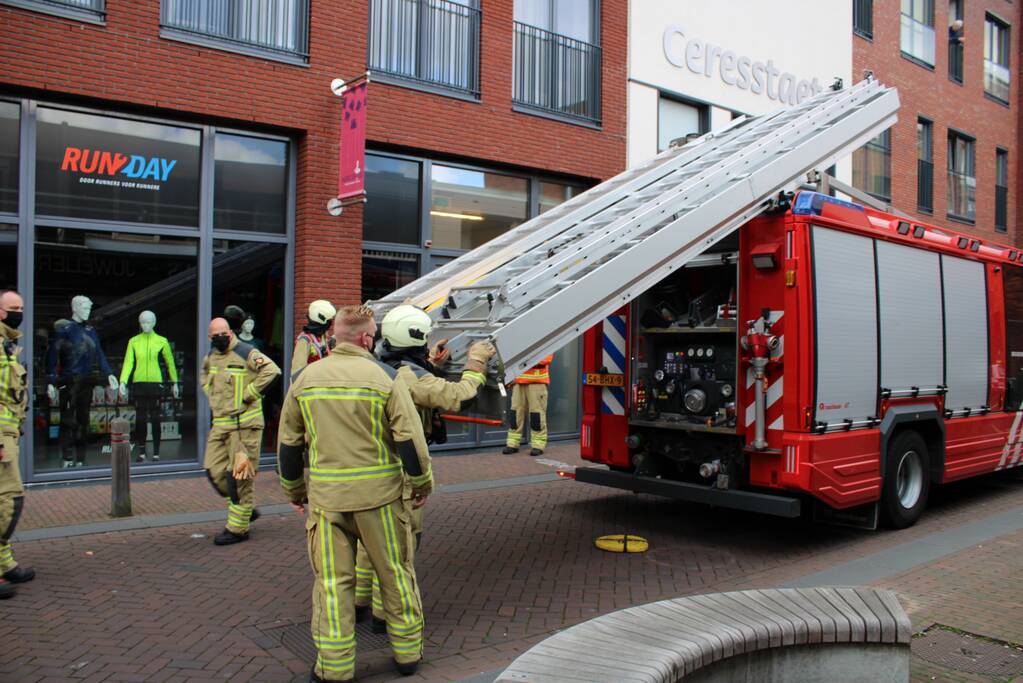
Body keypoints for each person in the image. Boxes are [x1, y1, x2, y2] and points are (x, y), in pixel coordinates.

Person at [277, 305, 432, 682]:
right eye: (374, 334)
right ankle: (407, 654)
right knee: (395, 574)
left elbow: (287, 444)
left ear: (334, 334)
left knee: (332, 585)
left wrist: (295, 490)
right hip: (379, 500)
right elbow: (410, 440)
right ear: (366, 338)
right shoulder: (385, 378)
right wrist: (421, 483)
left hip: (328, 503)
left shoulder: (305, 379)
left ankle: (335, 667)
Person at [354, 304, 496, 629]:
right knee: (400, 546)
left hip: (372, 469)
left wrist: (431, 362)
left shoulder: (378, 364)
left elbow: (413, 374)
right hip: (401, 476)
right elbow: (460, 396)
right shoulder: (410, 377)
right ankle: (384, 615)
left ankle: (359, 604)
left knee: (368, 543)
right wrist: (476, 361)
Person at [201, 317, 280, 546]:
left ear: (230, 332)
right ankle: (246, 508)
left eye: (224, 332)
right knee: (213, 471)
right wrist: (214, 398)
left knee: (238, 478)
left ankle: (238, 528)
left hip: (244, 426)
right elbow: (205, 377)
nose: (221, 337)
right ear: (210, 337)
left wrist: (249, 394)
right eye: (216, 335)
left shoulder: (246, 352)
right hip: (221, 424)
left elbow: (272, 370)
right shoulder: (211, 356)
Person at [45, 295, 120, 467]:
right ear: (75, 308)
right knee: (67, 420)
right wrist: (50, 379)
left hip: (86, 380)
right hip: (69, 380)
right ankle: (66, 457)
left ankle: (80, 458)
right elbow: (53, 354)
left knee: (83, 420)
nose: (88, 312)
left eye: (89, 308)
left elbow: (99, 352)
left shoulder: (90, 330)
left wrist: (109, 373)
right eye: (85, 308)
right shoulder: (65, 328)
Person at [0, 290, 33, 598]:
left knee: (5, 500)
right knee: (9, 500)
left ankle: (5, 564)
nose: (19, 312)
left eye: (21, 307)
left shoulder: (7, 346)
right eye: (13, 308)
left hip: (10, 436)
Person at [118, 311, 180, 462]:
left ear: (154, 322)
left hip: (155, 384)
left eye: (148, 322)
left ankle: (157, 452)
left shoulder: (161, 341)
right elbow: (128, 362)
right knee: (140, 419)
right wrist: (123, 381)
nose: (145, 325)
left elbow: (170, 362)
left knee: (155, 417)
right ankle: (141, 452)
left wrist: (175, 382)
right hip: (139, 383)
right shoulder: (134, 341)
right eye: (142, 322)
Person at [503, 354, 554, 456]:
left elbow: (544, 360)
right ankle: (512, 444)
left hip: (537, 383)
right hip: (518, 383)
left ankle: (538, 445)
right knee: (515, 415)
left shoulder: (544, 340)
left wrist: (523, 359)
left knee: (537, 416)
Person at [291, 299, 336, 378]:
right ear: (322, 319)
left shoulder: (323, 336)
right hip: (312, 385)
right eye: (330, 321)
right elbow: (297, 372)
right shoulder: (304, 340)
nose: (331, 323)